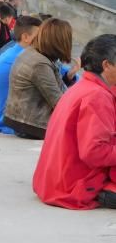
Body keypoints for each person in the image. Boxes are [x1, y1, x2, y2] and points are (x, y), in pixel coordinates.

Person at [33, 34, 116, 210]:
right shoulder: (97, 96)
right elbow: (95, 153)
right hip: (72, 187)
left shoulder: (84, 86)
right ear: (106, 65)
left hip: (52, 181)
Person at [4, 18, 79, 139]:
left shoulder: (34, 53)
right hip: (32, 125)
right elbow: (59, 103)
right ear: (61, 41)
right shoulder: (40, 64)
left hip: (20, 119)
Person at [0, 16, 42, 134]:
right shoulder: (25, 59)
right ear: (26, 37)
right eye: (40, 36)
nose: (43, 40)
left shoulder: (11, 51)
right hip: (7, 123)